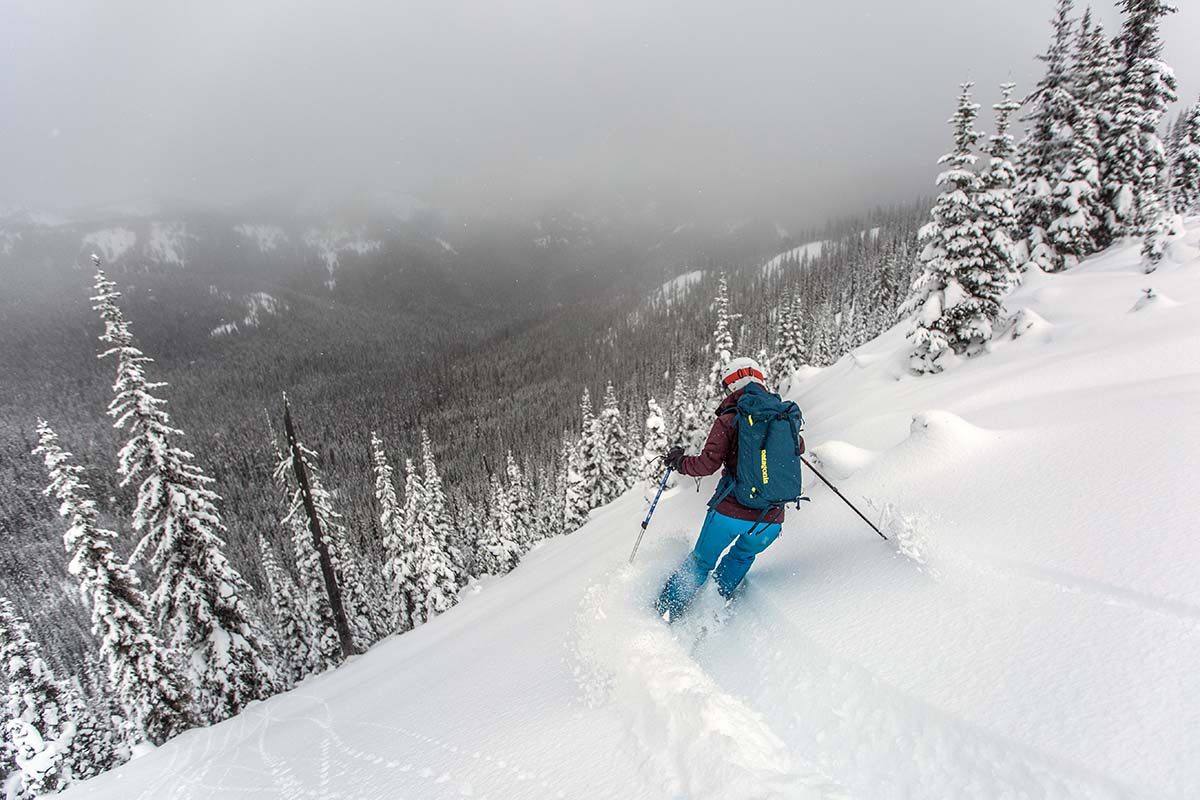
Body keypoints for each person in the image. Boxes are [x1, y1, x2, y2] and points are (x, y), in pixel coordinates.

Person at [654, 357, 804, 620]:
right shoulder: (783, 415)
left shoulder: (731, 418)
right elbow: (798, 447)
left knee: (701, 562)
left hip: (731, 512)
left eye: (726, 386)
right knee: (742, 557)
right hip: (770, 520)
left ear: (735, 382)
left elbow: (706, 465)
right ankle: (710, 610)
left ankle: (663, 613)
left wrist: (679, 462)